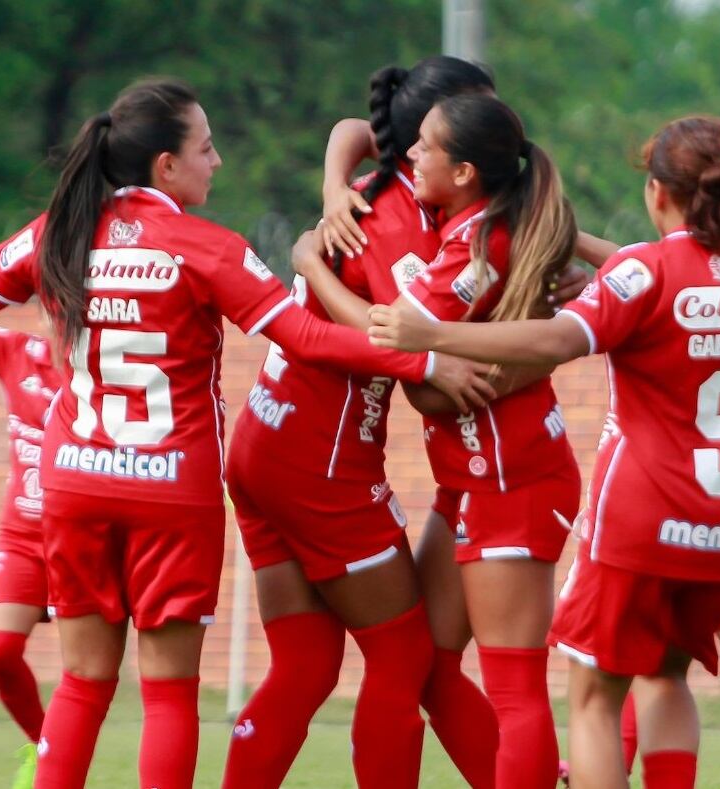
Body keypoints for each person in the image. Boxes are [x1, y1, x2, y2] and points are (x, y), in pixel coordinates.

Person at [367, 113, 720, 789]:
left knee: (593, 700)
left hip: (642, 530)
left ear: (657, 194)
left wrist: (432, 333)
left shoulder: (643, 273)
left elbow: (555, 341)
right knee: (666, 675)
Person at [0, 77, 483, 789]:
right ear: (166, 165)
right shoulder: (204, 247)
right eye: (206, 147)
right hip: (171, 491)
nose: (216, 162)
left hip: (76, 482)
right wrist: (423, 355)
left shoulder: (58, 230)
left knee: (81, 682)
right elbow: (308, 336)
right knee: (166, 692)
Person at [221, 57, 500, 789]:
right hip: (321, 463)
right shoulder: (402, 220)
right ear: (431, 141)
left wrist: (325, 198)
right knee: (406, 658)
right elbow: (399, 333)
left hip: (262, 442)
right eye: (479, 117)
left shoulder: (380, 187)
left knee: (308, 663)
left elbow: (352, 127)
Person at [300, 92, 581, 789]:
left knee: (515, 686)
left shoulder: (474, 246)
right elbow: (355, 130)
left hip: (511, 479)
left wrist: (308, 263)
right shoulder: (479, 222)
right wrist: (336, 185)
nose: (408, 156)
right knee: (428, 661)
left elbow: (389, 339)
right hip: (474, 479)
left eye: (424, 146)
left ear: (462, 172)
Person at [0, 326, 59, 788]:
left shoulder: (104, 360)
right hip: (21, 538)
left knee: (91, 671)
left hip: (84, 540)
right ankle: (43, 748)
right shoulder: (15, 349)